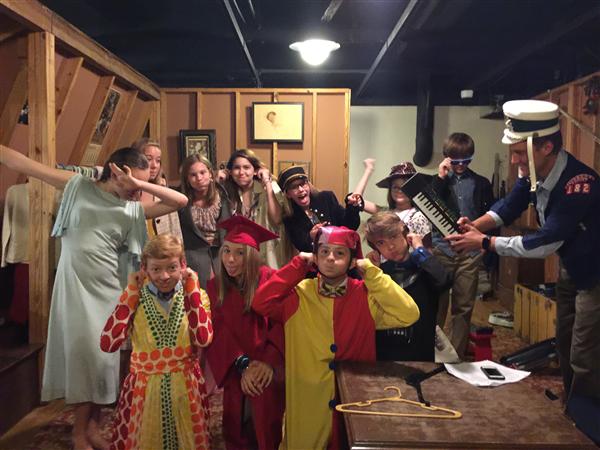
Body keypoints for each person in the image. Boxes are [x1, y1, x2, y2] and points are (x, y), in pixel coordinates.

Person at [0, 144, 188, 450]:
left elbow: (180, 201)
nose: (136, 191)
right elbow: (24, 163)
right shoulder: (78, 186)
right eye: (132, 182)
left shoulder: (132, 209)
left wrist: (137, 184)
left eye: (140, 185)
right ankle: (80, 433)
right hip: (76, 288)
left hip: (110, 292)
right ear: (115, 171)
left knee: (103, 362)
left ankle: (92, 427)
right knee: (85, 359)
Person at [446, 99, 600, 436]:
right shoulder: (533, 170)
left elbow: (545, 243)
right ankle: (573, 412)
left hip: (595, 274)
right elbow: (509, 206)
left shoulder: (579, 184)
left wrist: (484, 243)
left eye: (519, 153)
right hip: (573, 267)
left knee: (585, 354)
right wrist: (474, 226)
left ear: (546, 146)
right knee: (564, 344)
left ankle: (588, 428)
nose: (515, 160)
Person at [252, 226, 419, 449]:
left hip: (353, 402)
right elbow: (260, 303)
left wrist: (372, 273)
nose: (330, 258)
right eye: (324, 252)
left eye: (339, 253)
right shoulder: (299, 294)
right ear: (315, 257)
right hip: (308, 406)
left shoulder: (366, 296)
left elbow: (409, 313)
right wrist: (297, 265)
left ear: (352, 261)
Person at [100, 233, 212, 450]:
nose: (164, 276)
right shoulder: (135, 298)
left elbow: (203, 337)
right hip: (143, 392)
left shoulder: (197, 295)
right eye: (156, 269)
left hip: (185, 389)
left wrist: (192, 290)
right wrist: (130, 293)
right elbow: (108, 343)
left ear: (183, 265)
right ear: (144, 268)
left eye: (172, 267)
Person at [205, 215, 285, 450]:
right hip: (236, 369)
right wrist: (243, 365)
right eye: (226, 251)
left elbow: (281, 325)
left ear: (252, 255)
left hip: (267, 372)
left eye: (240, 253)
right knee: (237, 425)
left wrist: (268, 363)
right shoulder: (215, 287)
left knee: (266, 427)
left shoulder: (271, 280)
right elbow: (217, 331)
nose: (230, 259)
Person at [430, 132, 494, 359]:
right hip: (441, 249)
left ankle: (455, 356)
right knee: (437, 305)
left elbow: (492, 215)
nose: (460, 166)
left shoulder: (481, 183)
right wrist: (440, 177)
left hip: (470, 252)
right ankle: (431, 354)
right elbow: (427, 206)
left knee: (464, 306)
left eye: (466, 161)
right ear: (447, 157)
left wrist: (486, 245)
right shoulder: (436, 182)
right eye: (456, 161)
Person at [364, 212, 452, 361]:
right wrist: (372, 271)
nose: (390, 246)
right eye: (381, 243)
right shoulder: (380, 274)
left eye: (393, 236)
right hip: (384, 353)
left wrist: (419, 249)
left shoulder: (425, 268)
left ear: (405, 234)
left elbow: (444, 281)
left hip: (420, 352)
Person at [221, 149, 290, 268]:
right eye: (236, 168)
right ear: (230, 172)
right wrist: (218, 180)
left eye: (246, 167)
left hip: (269, 252)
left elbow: (277, 218)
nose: (241, 172)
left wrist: (267, 182)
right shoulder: (228, 192)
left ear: (255, 171)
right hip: (242, 255)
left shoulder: (269, 186)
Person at [278, 165, 363, 252]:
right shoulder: (290, 217)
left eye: (303, 184)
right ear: (288, 194)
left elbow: (350, 226)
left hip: (340, 254)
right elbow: (301, 246)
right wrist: (311, 236)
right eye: (294, 187)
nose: (300, 189)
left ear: (308, 184)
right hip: (316, 259)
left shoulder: (327, 198)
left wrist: (352, 206)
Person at [179, 154, 231, 289]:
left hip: (220, 254)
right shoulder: (182, 201)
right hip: (193, 256)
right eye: (193, 175)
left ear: (210, 174)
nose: (199, 178)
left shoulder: (223, 196)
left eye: (202, 172)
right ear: (187, 179)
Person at [353, 159, 432, 243]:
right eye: (395, 187)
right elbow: (355, 199)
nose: (400, 190)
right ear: (390, 190)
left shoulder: (419, 217)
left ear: (413, 189)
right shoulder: (385, 213)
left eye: (404, 186)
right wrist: (368, 170)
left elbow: (426, 249)